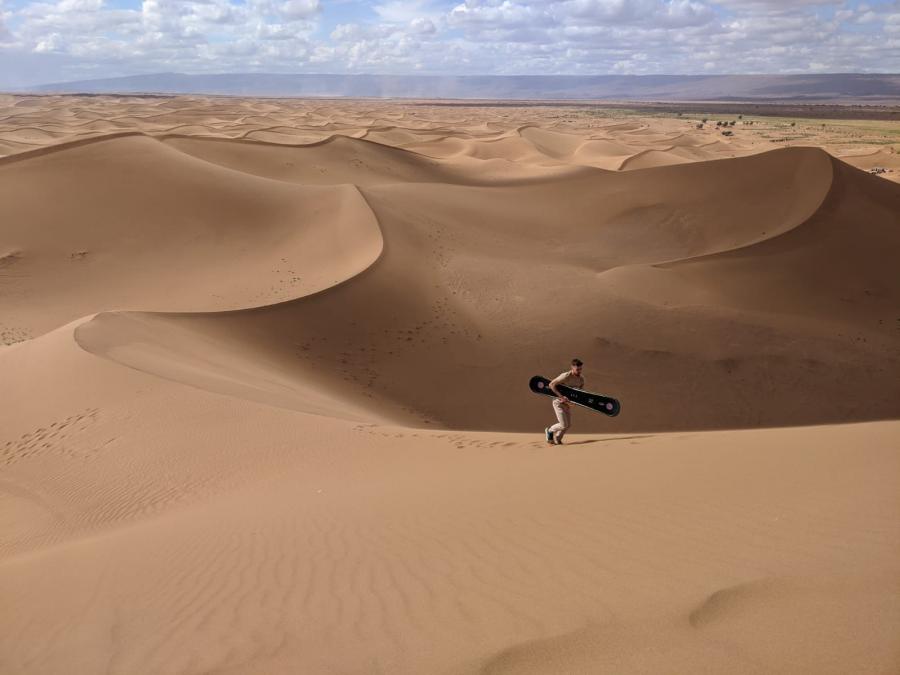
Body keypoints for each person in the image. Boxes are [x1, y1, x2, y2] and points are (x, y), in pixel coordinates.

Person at [545, 358, 584, 445]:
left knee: (568, 425)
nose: (579, 371)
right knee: (563, 425)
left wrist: (573, 402)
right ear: (572, 367)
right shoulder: (565, 376)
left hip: (567, 404)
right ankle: (550, 430)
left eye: (581, 369)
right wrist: (561, 397)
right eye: (577, 369)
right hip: (558, 402)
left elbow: (579, 393)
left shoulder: (581, 379)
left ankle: (558, 439)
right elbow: (551, 384)